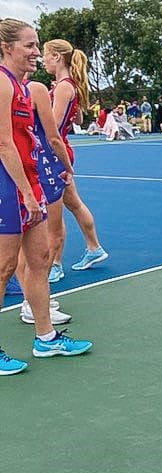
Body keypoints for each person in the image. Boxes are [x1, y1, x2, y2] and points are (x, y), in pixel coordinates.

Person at [0, 18, 92, 373]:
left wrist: (37, 186)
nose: (36, 52)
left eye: (38, 45)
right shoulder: (3, 84)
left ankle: (46, 338)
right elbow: (4, 143)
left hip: (29, 182)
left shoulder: (28, 87)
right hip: (9, 185)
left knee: (39, 260)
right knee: (5, 267)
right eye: (29, 46)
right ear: (7, 47)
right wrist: (25, 192)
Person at [42, 38, 109, 276]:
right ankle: (94, 247)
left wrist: (42, 103)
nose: (43, 60)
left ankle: (55, 264)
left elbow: (53, 125)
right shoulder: (68, 86)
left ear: (57, 57)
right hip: (61, 151)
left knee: (55, 212)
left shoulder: (63, 87)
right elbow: (79, 119)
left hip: (55, 154)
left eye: (46, 55)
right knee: (73, 203)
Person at [15, 75, 75, 325]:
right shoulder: (35, 89)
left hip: (23, 167)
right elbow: (53, 136)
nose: (36, 55)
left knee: (22, 241)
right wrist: (67, 165)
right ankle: (32, 301)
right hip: (43, 166)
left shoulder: (13, 88)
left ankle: (33, 299)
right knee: (52, 236)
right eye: (30, 46)